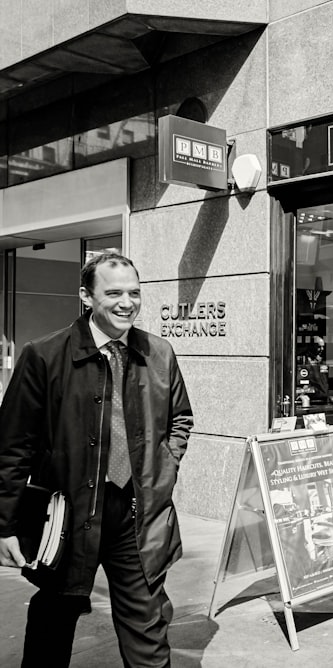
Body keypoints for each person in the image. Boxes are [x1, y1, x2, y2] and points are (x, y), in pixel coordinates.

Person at [0, 251, 194, 667]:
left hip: (136, 512)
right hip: (67, 514)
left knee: (148, 620)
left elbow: (181, 419)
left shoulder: (159, 353)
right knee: (55, 615)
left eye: (134, 293)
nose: (127, 302)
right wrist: (5, 525)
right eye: (114, 293)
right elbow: (13, 447)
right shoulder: (44, 356)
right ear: (87, 296)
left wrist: (165, 468)